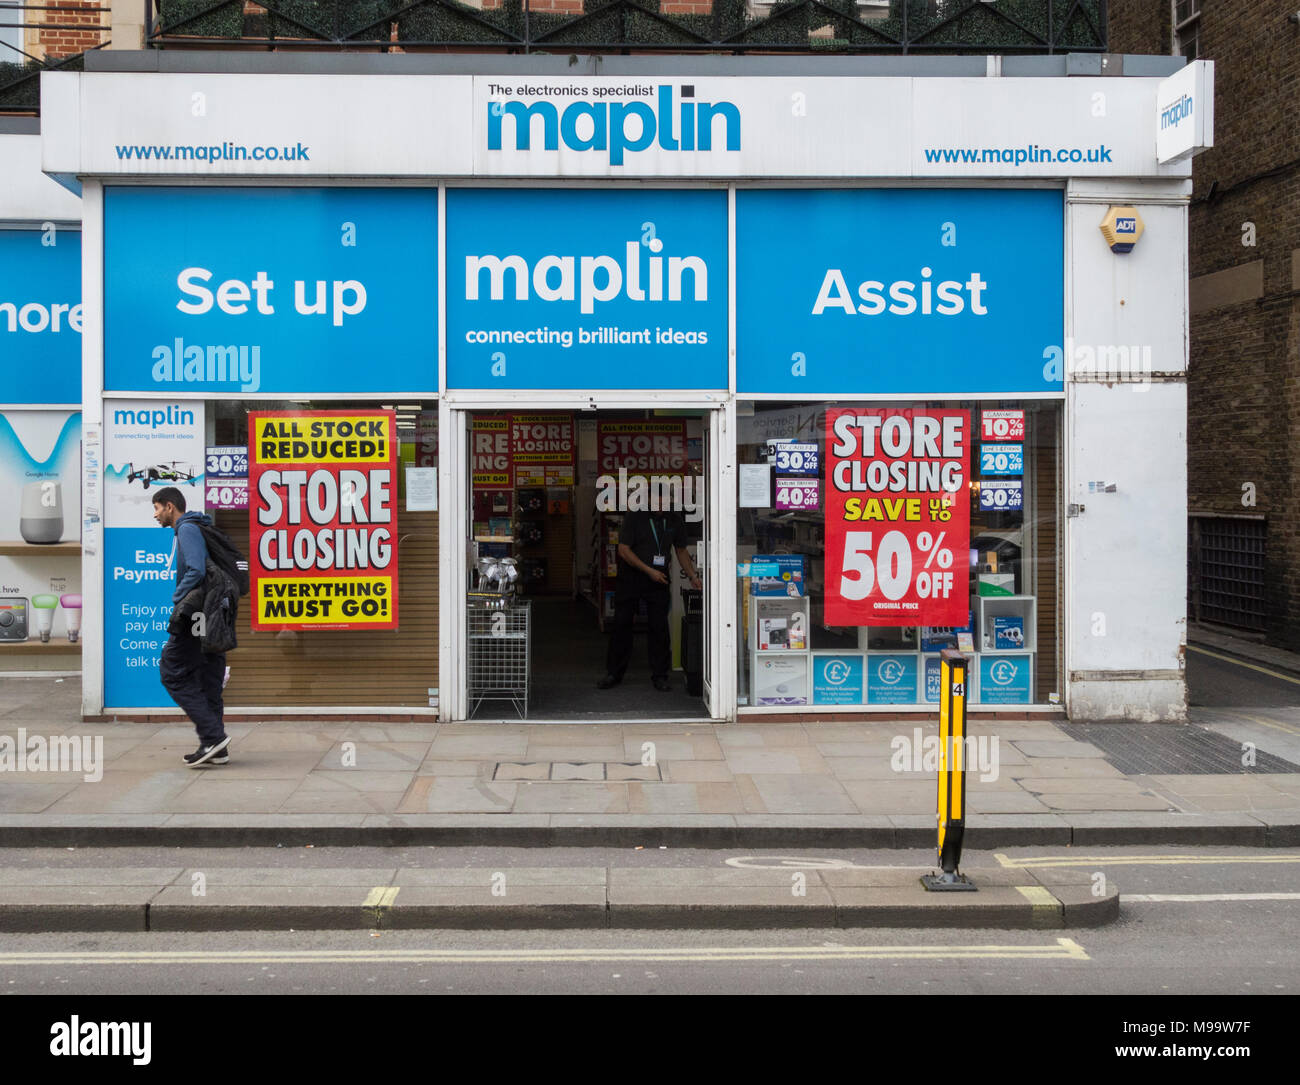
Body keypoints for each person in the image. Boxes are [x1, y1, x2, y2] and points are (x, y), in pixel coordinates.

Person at [152, 486, 230, 767]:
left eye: (158, 508)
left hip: (196, 613)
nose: (156, 514)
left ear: (170, 507)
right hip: (213, 611)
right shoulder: (199, 526)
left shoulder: (186, 529)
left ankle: (213, 736)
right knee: (209, 676)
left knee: (171, 671)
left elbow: (196, 569)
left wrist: (178, 597)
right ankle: (216, 748)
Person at [598, 509, 702, 693]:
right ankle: (613, 673)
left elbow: (681, 550)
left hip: (658, 578)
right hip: (631, 577)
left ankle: (660, 675)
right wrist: (648, 571)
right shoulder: (635, 517)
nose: (660, 506)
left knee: (659, 627)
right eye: (656, 500)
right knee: (622, 624)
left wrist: (692, 575)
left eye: (663, 501)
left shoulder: (674, 519)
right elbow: (623, 550)